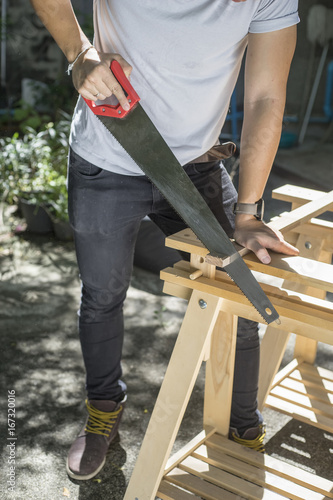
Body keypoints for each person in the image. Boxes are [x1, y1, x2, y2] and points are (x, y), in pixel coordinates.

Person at [31, 0, 299, 481]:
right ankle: (103, 415)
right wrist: (79, 54)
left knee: (239, 296)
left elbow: (266, 100)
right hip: (104, 160)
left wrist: (248, 212)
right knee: (102, 297)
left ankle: (241, 424)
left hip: (196, 170)